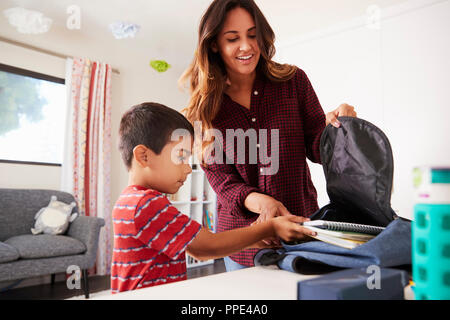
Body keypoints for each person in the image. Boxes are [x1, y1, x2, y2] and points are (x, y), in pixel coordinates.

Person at [180, 0, 357, 271]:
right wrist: (265, 204)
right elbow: (222, 180)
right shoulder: (206, 106)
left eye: (253, 35)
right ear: (214, 44)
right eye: (233, 38)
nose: (247, 46)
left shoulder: (294, 82)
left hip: (302, 229)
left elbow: (317, 147)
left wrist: (341, 129)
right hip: (244, 243)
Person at [111, 102, 316, 293]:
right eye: (181, 156)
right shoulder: (147, 204)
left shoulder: (130, 201)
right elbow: (205, 247)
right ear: (143, 156)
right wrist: (271, 227)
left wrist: (255, 240)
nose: (188, 169)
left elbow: (193, 246)